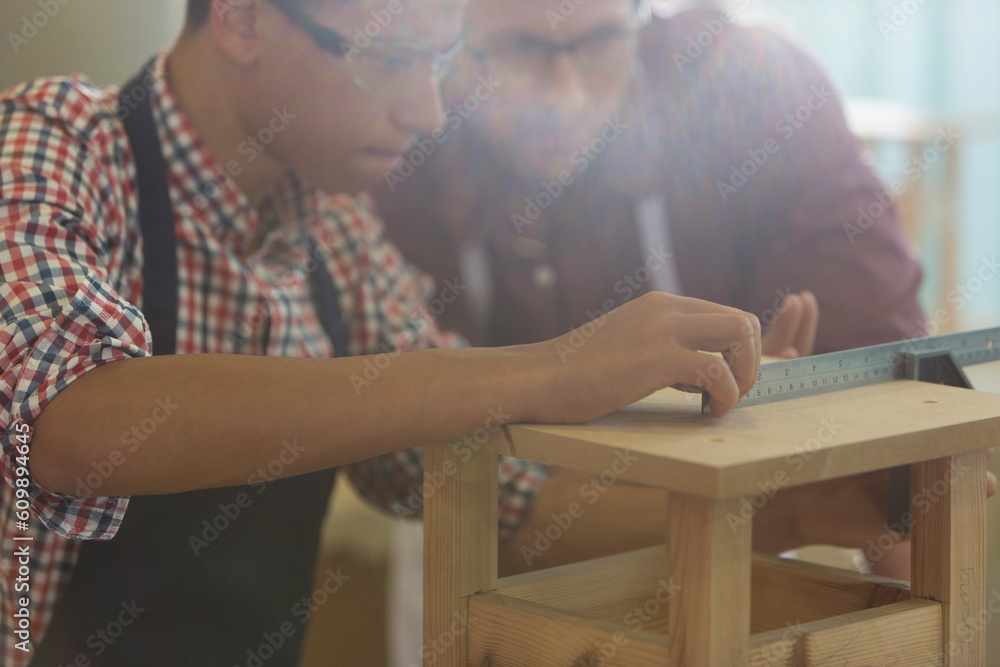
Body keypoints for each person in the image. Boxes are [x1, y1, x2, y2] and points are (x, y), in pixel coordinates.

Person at [0, 0, 765, 664]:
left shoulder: (332, 228)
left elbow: (513, 503)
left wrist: (773, 501)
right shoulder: (54, 143)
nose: (429, 112)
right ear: (242, 18)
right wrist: (552, 367)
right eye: (392, 59)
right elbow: (71, 423)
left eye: (441, 63)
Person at [360, 0, 998, 582]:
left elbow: (885, 382)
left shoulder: (760, 90)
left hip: (739, 543)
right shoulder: (398, 130)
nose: (564, 92)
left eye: (601, 42)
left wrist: (918, 596)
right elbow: (408, 444)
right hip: (475, 541)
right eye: (518, 50)